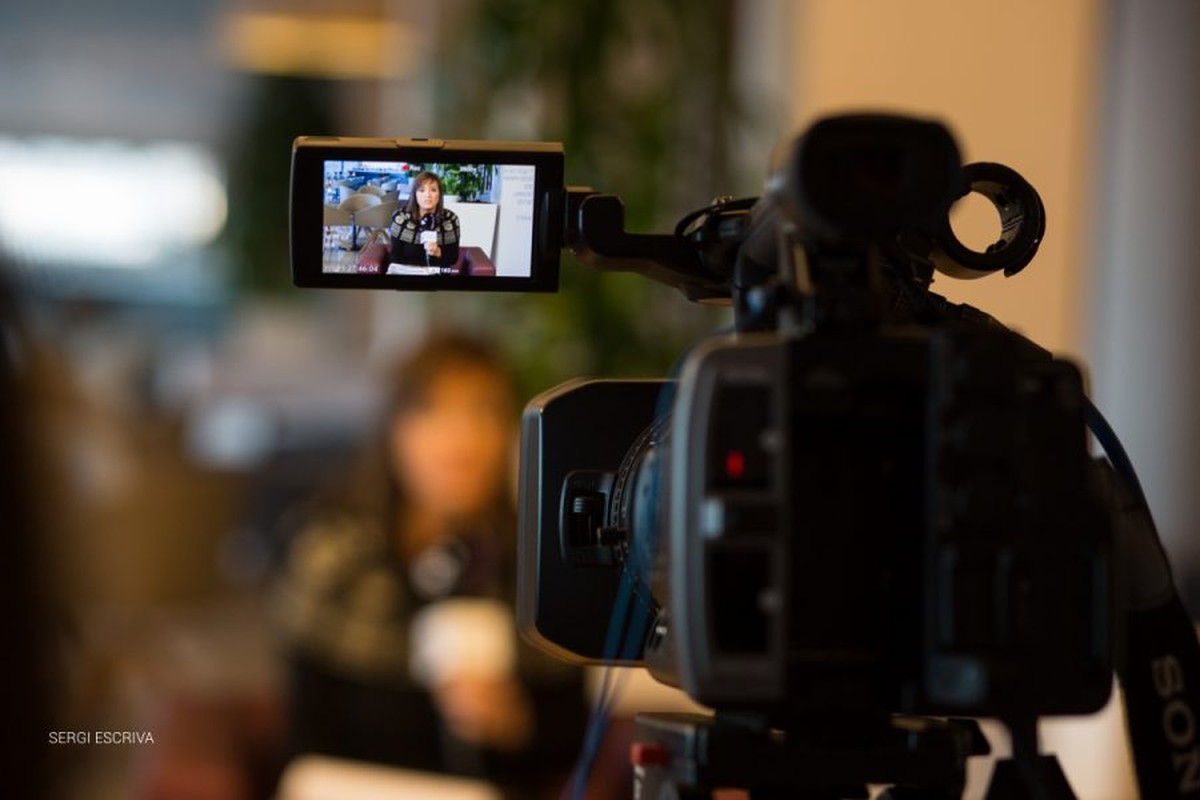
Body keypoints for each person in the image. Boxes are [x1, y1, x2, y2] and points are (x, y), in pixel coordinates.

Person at [274, 332, 585, 797]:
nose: (460, 436)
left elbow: (573, 743)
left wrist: (515, 723)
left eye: (482, 410)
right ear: (393, 429)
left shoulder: (543, 568)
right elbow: (306, 736)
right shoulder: (335, 559)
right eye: (432, 409)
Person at [387, 171, 461, 269]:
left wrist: (438, 251)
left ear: (439, 194)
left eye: (433, 190)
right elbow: (395, 256)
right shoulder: (401, 217)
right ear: (415, 194)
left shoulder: (450, 219)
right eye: (422, 190)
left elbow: (453, 258)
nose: (427, 195)